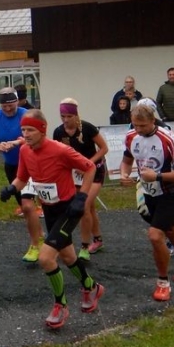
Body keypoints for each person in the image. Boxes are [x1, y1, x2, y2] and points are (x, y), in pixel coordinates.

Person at [0, 110, 104, 329]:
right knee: (67, 255)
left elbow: (90, 167)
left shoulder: (60, 150)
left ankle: (61, 305)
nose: (25, 134)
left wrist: (82, 197)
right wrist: (11, 188)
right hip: (50, 209)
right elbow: (22, 177)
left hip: (68, 209)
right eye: (23, 130)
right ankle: (91, 287)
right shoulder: (25, 151)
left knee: (46, 258)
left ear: (43, 130)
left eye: (30, 130)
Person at [119, 102, 174, 301]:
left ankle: (162, 282)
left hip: (171, 191)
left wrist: (158, 176)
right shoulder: (131, 136)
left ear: (153, 121)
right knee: (170, 229)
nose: (138, 130)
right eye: (135, 125)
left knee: (155, 235)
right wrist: (125, 174)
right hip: (150, 192)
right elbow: (127, 160)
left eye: (143, 126)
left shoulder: (168, 139)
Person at [0, 87, 44, 262]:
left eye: (11, 105)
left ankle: (35, 245)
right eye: (4, 106)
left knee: (28, 205)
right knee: (26, 207)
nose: (8, 109)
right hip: (12, 167)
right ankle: (41, 237)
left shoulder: (26, 115)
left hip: (31, 165)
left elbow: (36, 136)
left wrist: (16, 142)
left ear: (18, 101)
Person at [53, 98, 109, 257]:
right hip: (76, 173)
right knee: (89, 208)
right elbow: (59, 155)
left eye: (69, 116)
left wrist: (87, 164)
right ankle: (97, 240)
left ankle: (84, 247)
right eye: (62, 116)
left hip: (95, 170)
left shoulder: (88, 128)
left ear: (76, 115)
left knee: (83, 206)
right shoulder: (59, 132)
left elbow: (104, 148)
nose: (65, 119)